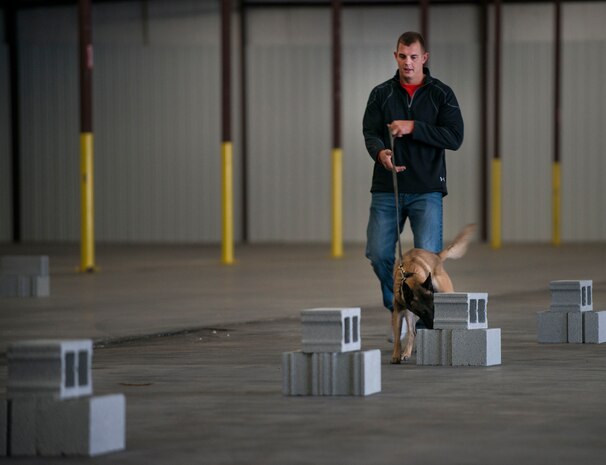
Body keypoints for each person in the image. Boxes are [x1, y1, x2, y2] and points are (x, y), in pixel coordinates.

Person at [362, 31, 464, 337]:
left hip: (427, 190)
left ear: (424, 58)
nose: (408, 62)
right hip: (387, 187)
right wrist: (380, 151)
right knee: (378, 253)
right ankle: (398, 303)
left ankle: (422, 323)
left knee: (427, 263)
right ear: (396, 57)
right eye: (403, 56)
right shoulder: (381, 94)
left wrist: (414, 127)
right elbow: (370, 132)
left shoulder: (440, 94)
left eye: (414, 57)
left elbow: (454, 137)